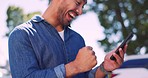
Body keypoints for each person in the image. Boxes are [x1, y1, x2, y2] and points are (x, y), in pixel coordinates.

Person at [8, 0, 127, 78]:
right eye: (77, 3)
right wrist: (74, 67)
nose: (80, 11)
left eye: (83, 6)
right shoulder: (22, 34)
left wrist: (104, 68)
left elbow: (84, 76)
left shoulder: (77, 39)